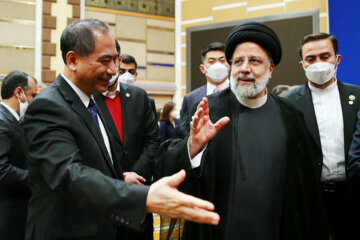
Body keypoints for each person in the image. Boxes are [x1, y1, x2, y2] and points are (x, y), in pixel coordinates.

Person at [23, 18, 219, 240]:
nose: (113, 70)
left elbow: (104, 162)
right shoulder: (48, 106)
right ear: (73, 60)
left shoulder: (91, 101)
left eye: (115, 60)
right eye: (105, 61)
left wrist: (191, 145)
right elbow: (69, 175)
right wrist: (142, 198)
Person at [156, 22, 329, 240]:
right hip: (219, 230)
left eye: (255, 61)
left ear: (270, 68)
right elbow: (165, 161)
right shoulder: (208, 109)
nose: (245, 68)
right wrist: (193, 147)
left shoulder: (290, 115)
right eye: (238, 61)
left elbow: (306, 187)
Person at [282, 32, 360, 240]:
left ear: (337, 59)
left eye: (325, 57)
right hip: (310, 198)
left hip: (352, 196)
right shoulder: (287, 103)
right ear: (302, 65)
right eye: (311, 59)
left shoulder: (358, 96)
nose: (318, 63)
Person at [94, 41, 160, 240]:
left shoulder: (140, 97)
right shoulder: (88, 99)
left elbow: (153, 141)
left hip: (138, 193)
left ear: (118, 61)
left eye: (112, 61)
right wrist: (119, 178)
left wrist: (136, 175)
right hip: (103, 196)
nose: (109, 68)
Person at [0, 70, 37, 239]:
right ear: (19, 92)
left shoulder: (13, 120)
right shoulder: (2, 122)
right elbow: (3, 170)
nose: (35, 101)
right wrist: (37, 179)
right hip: (9, 212)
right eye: (33, 95)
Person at [180, 42, 230, 120]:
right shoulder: (190, 98)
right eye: (211, 61)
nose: (217, 65)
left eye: (222, 60)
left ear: (229, 65)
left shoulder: (241, 93)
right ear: (203, 69)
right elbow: (183, 130)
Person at [118, 53, 157, 118]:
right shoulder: (108, 99)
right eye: (122, 72)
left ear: (135, 75)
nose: (127, 76)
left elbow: (153, 127)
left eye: (131, 72)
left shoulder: (147, 102)